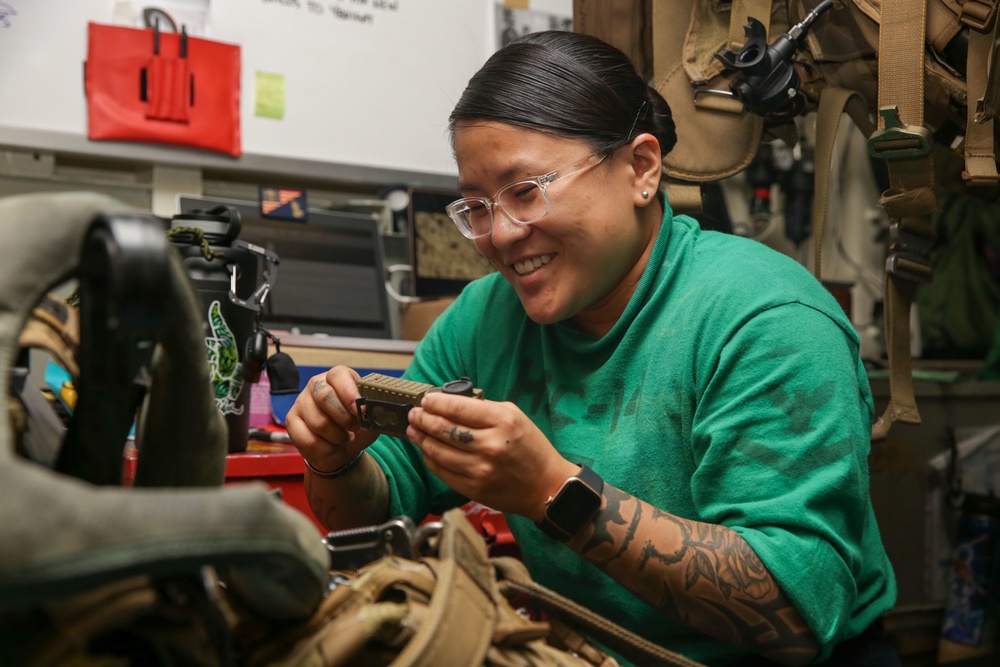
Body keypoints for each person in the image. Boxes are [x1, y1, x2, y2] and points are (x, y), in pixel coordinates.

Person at [286, 30, 899, 667]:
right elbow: (384, 502)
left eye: (525, 191)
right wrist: (335, 461)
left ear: (640, 168)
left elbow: (795, 613)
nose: (498, 235)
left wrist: (556, 491)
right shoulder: (484, 319)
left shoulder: (765, 320)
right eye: (476, 206)